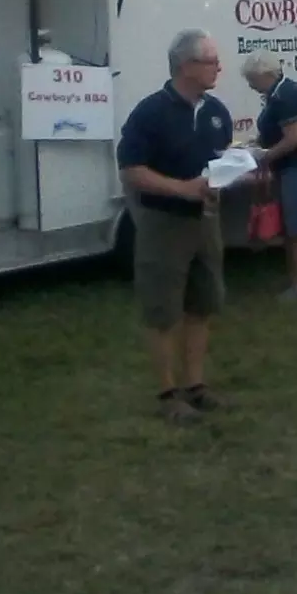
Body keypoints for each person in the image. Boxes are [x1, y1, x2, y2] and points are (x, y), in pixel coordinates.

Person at [116, 29, 232, 425]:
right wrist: (181, 189)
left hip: (206, 222)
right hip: (164, 224)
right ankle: (168, 393)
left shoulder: (216, 111)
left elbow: (218, 160)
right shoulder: (151, 112)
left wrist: (231, 175)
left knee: (202, 305)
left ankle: (196, 386)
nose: (219, 68)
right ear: (186, 66)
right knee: (163, 311)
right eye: (212, 61)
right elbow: (132, 171)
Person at [242, 49, 297, 300]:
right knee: (291, 224)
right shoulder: (277, 93)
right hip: (291, 166)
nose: (251, 85)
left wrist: (265, 156)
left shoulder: (284, 96)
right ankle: (296, 280)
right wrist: (258, 143)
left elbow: (294, 138)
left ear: (266, 74)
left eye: (253, 79)